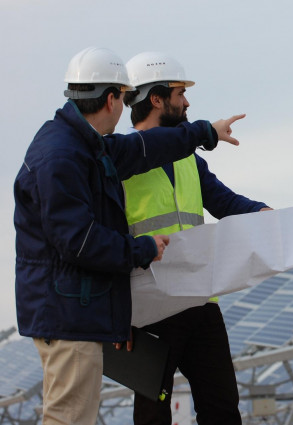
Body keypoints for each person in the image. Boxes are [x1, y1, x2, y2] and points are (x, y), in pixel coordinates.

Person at [13, 46, 245, 425]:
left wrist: (206, 132)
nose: (124, 106)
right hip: (87, 311)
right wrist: (141, 250)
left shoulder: (86, 149)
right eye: (122, 96)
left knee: (79, 415)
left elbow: (146, 148)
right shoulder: (63, 156)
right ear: (110, 98)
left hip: (115, 306)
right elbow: (80, 241)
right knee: (73, 417)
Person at [122, 51, 271, 425]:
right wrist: (116, 315)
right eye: (179, 93)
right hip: (148, 307)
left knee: (221, 408)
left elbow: (223, 201)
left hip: (199, 299)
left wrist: (261, 213)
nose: (187, 102)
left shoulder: (190, 159)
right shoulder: (120, 163)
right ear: (156, 99)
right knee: (153, 414)